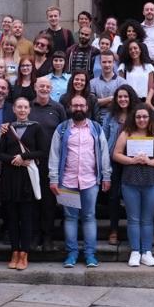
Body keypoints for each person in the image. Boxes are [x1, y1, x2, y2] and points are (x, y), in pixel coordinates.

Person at [48, 95, 112, 268]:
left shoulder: (96, 128)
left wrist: (106, 176)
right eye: (75, 105)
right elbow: (54, 155)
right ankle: (72, 254)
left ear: (87, 107)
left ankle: (90, 254)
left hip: (90, 181)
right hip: (67, 181)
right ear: (70, 107)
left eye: (81, 105)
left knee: (89, 217)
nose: (78, 108)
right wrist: (53, 178)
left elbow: (104, 153)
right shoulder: (61, 129)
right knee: (70, 218)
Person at [112, 104, 154, 267]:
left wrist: (150, 162)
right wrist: (132, 160)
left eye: (144, 116)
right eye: (138, 117)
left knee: (148, 219)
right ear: (133, 118)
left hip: (151, 182)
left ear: (150, 117)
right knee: (133, 218)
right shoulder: (127, 133)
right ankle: (135, 251)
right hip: (130, 181)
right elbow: (116, 154)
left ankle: (147, 252)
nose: (141, 119)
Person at [0, 97, 48, 270]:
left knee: (26, 218)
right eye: (19, 107)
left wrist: (24, 157)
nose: (22, 110)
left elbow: (42, 151)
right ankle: (14, 251)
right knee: (12, 218)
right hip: (10, 178)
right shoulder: (7, 129)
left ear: (29, 109)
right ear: (14, 109)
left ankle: (24, 253)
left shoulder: (36, 127)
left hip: (27, 178)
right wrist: (15, 159)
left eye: (25, 107)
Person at [28, 77, 67, 251]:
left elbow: (65, 133)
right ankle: (35, 235)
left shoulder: (58, 108)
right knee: (33, 200)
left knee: (49, 202)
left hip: (52, 162)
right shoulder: (28, 107)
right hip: (30, 162)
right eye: (41, 86)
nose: (44, 89)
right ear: (35, 87)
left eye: (47, 86)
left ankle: (48, 237)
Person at [101, 84, 139, 246]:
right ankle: (114, 230)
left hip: (134, 162)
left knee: (134, 196)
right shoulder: (110, 117)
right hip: (114, 161)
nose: (123, 99)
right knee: (114, 196)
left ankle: (135, 230)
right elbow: (103, 139)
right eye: (120, 97)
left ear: (131, 98)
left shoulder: (138, 115)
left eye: (126, 96)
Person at [90, 50, 126, 123]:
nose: (107, 65)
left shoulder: (122, 82)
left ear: (114, 63)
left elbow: (123, 102)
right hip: (97, 119)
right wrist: (110, 98)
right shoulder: (92, 82)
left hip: (117, 119)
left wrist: (100, 101)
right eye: (104, 62)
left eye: (109, 62)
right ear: (100, 63)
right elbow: (91, 103)